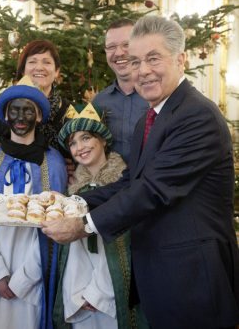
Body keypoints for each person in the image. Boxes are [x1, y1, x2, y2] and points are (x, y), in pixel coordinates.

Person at [42, 15, 239, 328]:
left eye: (153, 58)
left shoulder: (197, 116)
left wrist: (84, 225)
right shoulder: (150, 119)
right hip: (161, 275)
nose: (142, 71)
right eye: (135, 61)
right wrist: (72, 202)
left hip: (192, 280)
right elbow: (130, 182)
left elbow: (152, 190)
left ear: (181, 59)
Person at [0, 76, 68, 329]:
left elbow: (55, 224)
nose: (20, 117)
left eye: (28, 110)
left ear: (38, 116)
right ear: (5, 115)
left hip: (32, 275)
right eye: (14, 110)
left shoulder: (53, 162)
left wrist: (24, 279)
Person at [53, 103, 148, 329]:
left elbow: (126, 245)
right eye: (73, 143)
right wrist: (79, 290)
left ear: (103, 140)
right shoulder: (72, 190)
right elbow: (73, 252)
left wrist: (98, 292)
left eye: (86, 138)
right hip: (78, 292)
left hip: (112, 290)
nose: (79, 147)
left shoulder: (124, 186)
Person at [0, 39, 72, 155]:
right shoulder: (5, 111)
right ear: (23, 70)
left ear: (57, 71)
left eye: (46, 62)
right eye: (32, 62)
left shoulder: (68, 112)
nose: (39, 67)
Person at [93, 18, 148, 162]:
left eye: (126, 45)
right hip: (110, 182)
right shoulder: (99, 102)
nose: (118, 53)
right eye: (111, 47)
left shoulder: (156, 96)